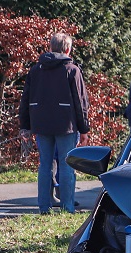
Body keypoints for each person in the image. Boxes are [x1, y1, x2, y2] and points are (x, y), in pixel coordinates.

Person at [18, 32, 90, 214]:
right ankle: (67, 207)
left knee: (45, 165)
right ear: (68, 49)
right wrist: (84, 129)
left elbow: (25, 99)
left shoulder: (36, 70)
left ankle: (44, 207)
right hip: (66, 124)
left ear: (50, 47)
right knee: (66, 165)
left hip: (41, 123)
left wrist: (24, 126)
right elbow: (80, 101)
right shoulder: (71, 69)